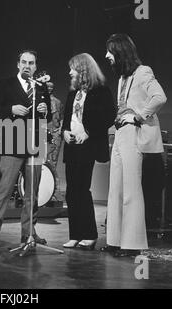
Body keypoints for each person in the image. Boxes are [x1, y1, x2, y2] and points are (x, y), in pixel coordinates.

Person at [102, 34, 167, 257]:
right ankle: (115, 240)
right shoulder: (122, 78)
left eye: (110, 51)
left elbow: (159, 97)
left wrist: (138, 117)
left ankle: (132, 244)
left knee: (131, 190)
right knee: (115, 189)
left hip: (134, 134)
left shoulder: (143, 72)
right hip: (120, 134)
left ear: (121, 51)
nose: (107, 55)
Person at [0, 50, 51, 248]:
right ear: (17, 64)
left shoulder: (40, 87)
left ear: (35, 66)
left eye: (31, 63)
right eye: (24, 62)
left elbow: (47, 113)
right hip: (12, 144)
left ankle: (29, 232)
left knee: (32, 193)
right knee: (3, 190)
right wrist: (10, 110)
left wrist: (45, 110)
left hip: (34, 144)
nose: (27, 66)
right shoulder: (6, 85)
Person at [61, 53, 116, 250]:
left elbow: (109, 116)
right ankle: (75, 234)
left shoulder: (101, 91)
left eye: (73, 68)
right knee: (71, 191)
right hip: (72, 146)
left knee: (82, 190)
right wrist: (64, 132)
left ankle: (90, 234)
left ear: (83, 69)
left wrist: (89, 132)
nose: (69, 72)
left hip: (88, 147)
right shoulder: (72, 93)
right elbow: (66, 119)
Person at [45, 81, 63, 174]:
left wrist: (60, 130)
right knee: (42, 158)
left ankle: (53, 183)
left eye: (51, 87)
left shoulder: (58, 102)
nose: (49, 89)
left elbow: (61, 117)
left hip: (55, 132)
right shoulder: (40, 101)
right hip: (43, 132)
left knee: (54, 158)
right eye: (47, 87)